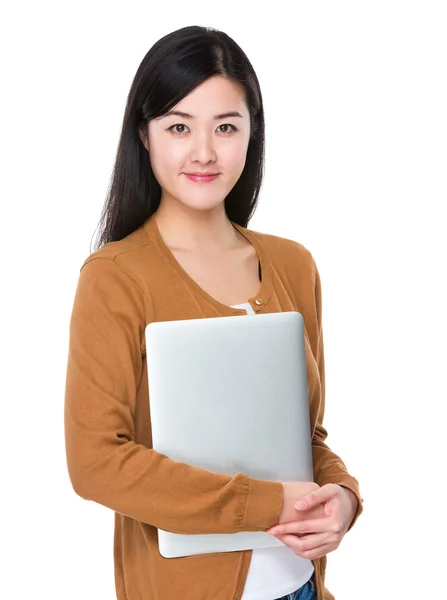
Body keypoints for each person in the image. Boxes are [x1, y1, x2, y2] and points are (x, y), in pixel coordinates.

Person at [64, 25, 363, 600]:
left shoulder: (292, 264)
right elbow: (95, 460)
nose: (204, 151)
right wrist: (265, 502)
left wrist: (342, 498)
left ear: (252, 134)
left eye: (226, 127)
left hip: (302, 587)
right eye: (179, 126)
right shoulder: (115, 277)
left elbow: (305, 436)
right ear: (145, 137)